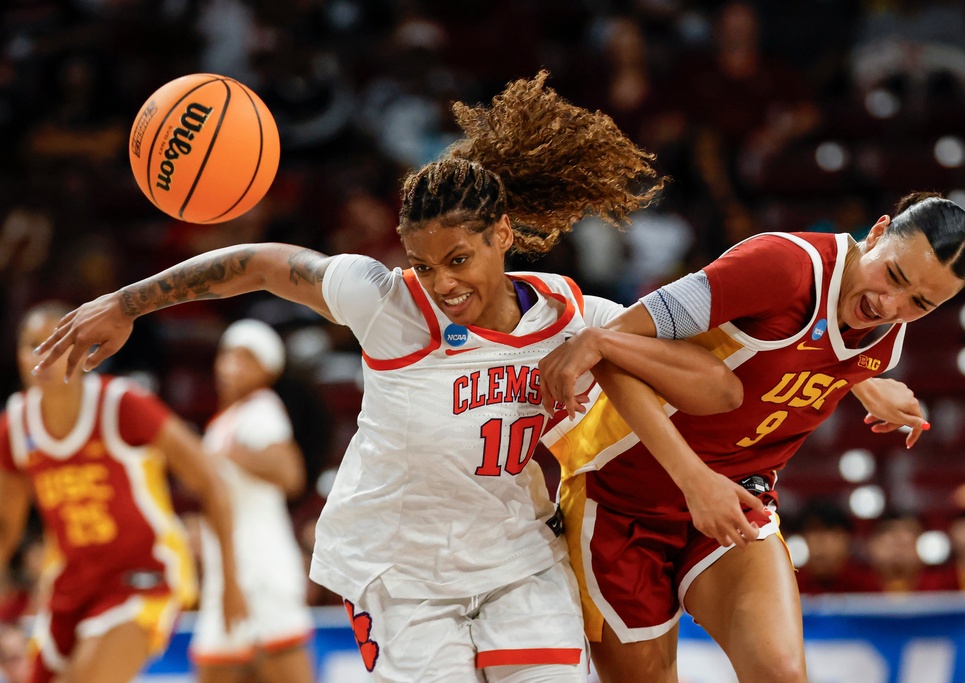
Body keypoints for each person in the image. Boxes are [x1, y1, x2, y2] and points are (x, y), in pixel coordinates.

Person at [30, 72, 740, 682]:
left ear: (502, 235)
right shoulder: (387, 301)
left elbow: (713, 380)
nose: (440, 283)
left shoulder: (571, 311)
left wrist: (597, 346)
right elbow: (262, 263)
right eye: (424, 264)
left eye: (458, 259)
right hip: (398, 569)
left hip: (515, 551)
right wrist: (125, 301)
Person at [538, 192, 965, 682]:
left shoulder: (887, 334)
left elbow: (802, 351)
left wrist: (862, 384)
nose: (890, 304)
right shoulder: (780, 266)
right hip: (619, 496)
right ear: (875, 233)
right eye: (893, 276)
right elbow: (609, 347)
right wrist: (693, 479)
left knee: (781, 675)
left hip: (734, 498)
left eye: (921, 303)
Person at [0, 302, 246, 683]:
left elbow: (210, 480)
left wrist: (229, 580)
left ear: (82, 350)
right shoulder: (14, 425)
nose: (42, 356)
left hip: (144, 572)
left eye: (56, 343)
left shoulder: (121, 403)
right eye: (32, 344)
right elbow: (7, 526)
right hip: (71, 580)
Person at [190, 319, 315, 683]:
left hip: (258, 570)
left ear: (267, 370)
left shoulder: (263, 409)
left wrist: (230, 454)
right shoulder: (226, 420)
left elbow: (291, 474)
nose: (232, 365)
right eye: (227, 355)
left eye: (246, 358)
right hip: (229, 569)